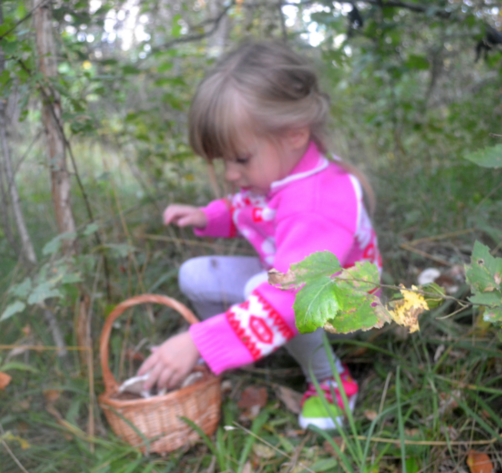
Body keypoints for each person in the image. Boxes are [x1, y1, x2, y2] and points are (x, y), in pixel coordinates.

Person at [138, 41, 382, 430]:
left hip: (347, 311)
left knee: (262, 288)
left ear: (295, 134)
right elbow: (252, 210)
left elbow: (293, 296)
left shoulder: (318, 202)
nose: (230, 174)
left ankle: (330, 382)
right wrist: (206, 216)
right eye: (224, 161)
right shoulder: (283, 169)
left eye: (240, 159)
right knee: (194, 274)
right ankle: (245, 342)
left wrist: (198, 341)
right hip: (290, 287)